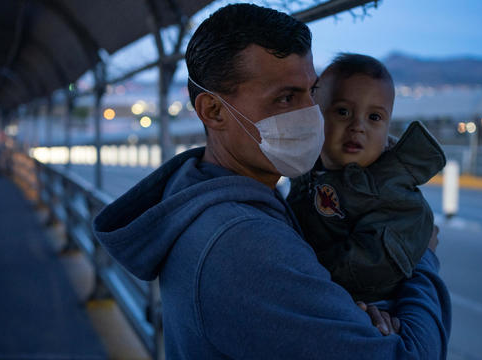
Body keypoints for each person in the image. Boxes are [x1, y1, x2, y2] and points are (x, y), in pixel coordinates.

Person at [93, 3, 450, 359]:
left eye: (311, 93)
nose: (309, 114)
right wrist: (421, 261)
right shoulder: (245, 243)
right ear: (213, 111)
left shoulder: (201, 193)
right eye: (285, 97)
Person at [287, 53, 446, 304]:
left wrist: (297, 268)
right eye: (343, 111)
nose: (358, 126)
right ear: (314, 117)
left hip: (370, 308)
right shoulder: (305, 172)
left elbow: (369, 268)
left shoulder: (393, 193)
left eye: (374, 117)